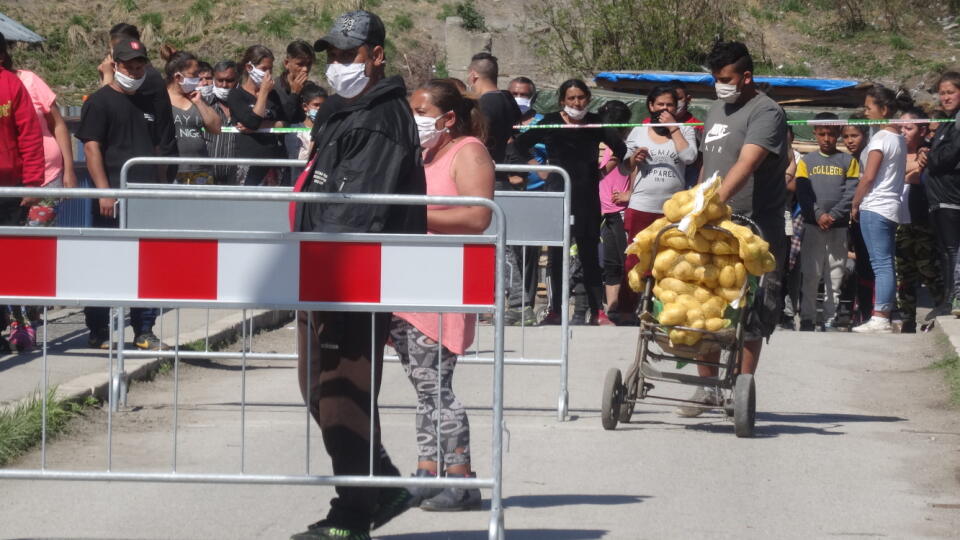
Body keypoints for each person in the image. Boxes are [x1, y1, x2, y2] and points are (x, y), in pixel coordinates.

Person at [290, 10, 426, 540]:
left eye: (349, 55)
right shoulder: (351, 109)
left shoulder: (377, 119)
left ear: (376, 55)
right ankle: (380, 485)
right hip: (320, 266)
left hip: (348, 272)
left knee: (340, 390)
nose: (338, 64)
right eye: (334, 55)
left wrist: (326, 276)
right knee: (319, 386)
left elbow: (353, 211)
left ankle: (354, 513)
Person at [391, 79, 493, 512]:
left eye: (421, 110)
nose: (414, 119)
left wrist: (410, 212)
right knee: (424, 387)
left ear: (447, 118)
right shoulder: (422, 155)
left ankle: (460, 477)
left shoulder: (467, 151)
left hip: (442, 284)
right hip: (406, 285)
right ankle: (428, 471)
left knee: (437, 388)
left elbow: (477, 216)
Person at [678, 41, 789, 416]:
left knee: (752, 311)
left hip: (756, 226)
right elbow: (711, 164)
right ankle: (708, 387)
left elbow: (747, 162)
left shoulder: (766, 113)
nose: (719, 85)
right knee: (704, 302)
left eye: (725, 79)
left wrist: (715, 202)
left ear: (746, 77)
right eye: (715, 79)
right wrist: (695, 201)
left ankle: (740, 389)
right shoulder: (715, 110)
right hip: (713, 224)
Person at [76, 38, 173, 350]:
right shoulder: (99, 102)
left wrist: (159, 189)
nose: (134, 70)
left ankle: (144, 329)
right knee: (105, 263)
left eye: (139, 64)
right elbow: (91, 148)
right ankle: (99, 330)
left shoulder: (149, 102)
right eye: (129, 65)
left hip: (145, 198)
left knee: (147, 265)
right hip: (112, 199)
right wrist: (104, 193)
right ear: (114, 65)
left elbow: (157, 148)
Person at [515, 79, 626, 326]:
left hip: (587, 196)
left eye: (581, 97)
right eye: (572, 98)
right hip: (558, 194)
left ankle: (598, 311)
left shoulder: (597, 121)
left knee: (588, 254)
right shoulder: (551, 120)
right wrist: (540, 169)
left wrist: (602, 171)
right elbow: (521, 146)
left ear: (588, 98)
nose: (577, 103)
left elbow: (620, 147)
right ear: (563, 101)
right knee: (557, 253)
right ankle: (555, 310)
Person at [619, 85, 698, 317]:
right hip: (642, 206)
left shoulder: (685, 130)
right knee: (634, 259)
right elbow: (625, 168)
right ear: (650, 106)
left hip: (672, 210)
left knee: (669, 260)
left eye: (670, 105)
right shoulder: (639, 131)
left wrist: (674, 129)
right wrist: (634, 158)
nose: (665, 109)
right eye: (660, 105)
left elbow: (690, 157)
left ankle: (660, 309)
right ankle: (627, 309)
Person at [850, 87, 910, 334]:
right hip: (890, 206)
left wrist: (855, 203)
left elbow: (868, 177)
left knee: (881, 263)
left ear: (884, 110)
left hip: (875, 206)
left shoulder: (881, 139)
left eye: (868, 108)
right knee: (885, 262)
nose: (865, 112)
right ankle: (881, 313)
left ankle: (881, 315)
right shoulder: (898, 139)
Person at [0, 31, 44, 355]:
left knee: (8, 263)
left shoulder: (12, 86)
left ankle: (15, 326)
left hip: (8, 190)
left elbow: (30, 135)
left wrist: (30, 185)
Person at [795, 112, 859, 332]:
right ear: (815, 134)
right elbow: (803, 194)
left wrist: (833, 215)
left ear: (838, 135)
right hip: (813, 225)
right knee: (811, 273)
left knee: (836, 272)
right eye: (821, 134)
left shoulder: (848, 161)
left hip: (838, 227)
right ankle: (807, 317)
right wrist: (818, 214)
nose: (826, 138)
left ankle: (830, 317)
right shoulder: (806, 161)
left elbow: (851, 193)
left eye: (831, 134)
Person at [98, 24, 176, 168]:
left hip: (151, 161)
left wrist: (108, 75)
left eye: (114, 49)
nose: (111, 53)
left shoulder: (142, 77)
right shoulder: (126, 75)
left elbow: (107, 101)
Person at [502, 76, 546, 326]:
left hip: (537, 194)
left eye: (525, 94)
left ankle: (525, 303)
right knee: (508, 251)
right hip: (506, 192)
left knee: (528, 251)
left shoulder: (542, 123)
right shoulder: (501, 121)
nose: (520, 98)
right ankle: (509, 303)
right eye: (515, 94)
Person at [895, 107, 944, 333]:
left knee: (929, 269)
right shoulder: (894, 152)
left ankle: (942, 307)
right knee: (904, 273)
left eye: (909, 127)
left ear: (922, 130)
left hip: (923, 221)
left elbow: (917, 178)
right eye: (901, 127)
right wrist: (912, 168)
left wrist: (910, 171)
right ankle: (907, 319)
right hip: (898, 223)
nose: (903, 132)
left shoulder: (930, 151)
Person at [226, 45, 290, 186]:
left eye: (270, 69)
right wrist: (263, 93)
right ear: (249, 68)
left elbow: (284, 123)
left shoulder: (273, 95)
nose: (268, 73)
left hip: (274, 162)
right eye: (263, 69)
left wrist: (264, 125)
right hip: (248, 162)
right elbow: (252, 122)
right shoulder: (236, 95)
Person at [924, 72, 960, 317]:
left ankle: (952, 300)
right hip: (940, 199)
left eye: (951, 92)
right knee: (946, 251)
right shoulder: (948, 121)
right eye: (943, 93)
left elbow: (949, 156)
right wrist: (924, 151)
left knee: (953, 251)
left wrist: (930, 158)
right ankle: (948, 299)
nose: (946, 97)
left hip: (952, 197)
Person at [597, 100, 633, 322]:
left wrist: (632, 194)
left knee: (623, 260)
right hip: (600, 211)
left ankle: (622, 307)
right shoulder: (597, 142)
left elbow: (638, 169)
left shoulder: (628, 143)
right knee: (608, 262)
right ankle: (611, 308)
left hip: (620, 211)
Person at [164, 50, 221, 184]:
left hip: (201, 170)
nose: (198, 78)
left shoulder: (196, 97)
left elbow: (216, 128)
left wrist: (199, 102)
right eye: (194, 75)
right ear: (178, 77)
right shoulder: (161, 99)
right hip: (173, 171)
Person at [466, 52, 521, 188]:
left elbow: (478, 139)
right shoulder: (506, 100)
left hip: (484, 178)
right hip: (498, 174)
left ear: (473, 75)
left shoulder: (485, 103)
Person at [840, 115, 874, 324]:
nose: (850, 140)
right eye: (846, 136)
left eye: (855, 135)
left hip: (867, 217)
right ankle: (856, 311)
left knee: (868, 265)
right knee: (856, 265)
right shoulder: (849, 160)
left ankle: (869, 311)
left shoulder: (869, 156)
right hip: (851, 221)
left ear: (865, 135)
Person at [206, 60, 240, 184]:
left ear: (237, 80)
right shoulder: (204, 105)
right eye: (220, 80)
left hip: (238, 179)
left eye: (229, 80)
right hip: (207, 178)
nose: (224, 85)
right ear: (214, 80)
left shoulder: (245, 106)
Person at [276, 40, 315, 125]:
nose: (305, 69)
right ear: (287, 63)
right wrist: (294, 94)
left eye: (309, 64)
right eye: (300, 64)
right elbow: (281, 119)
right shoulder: (274, 88)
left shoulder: (311, 88)